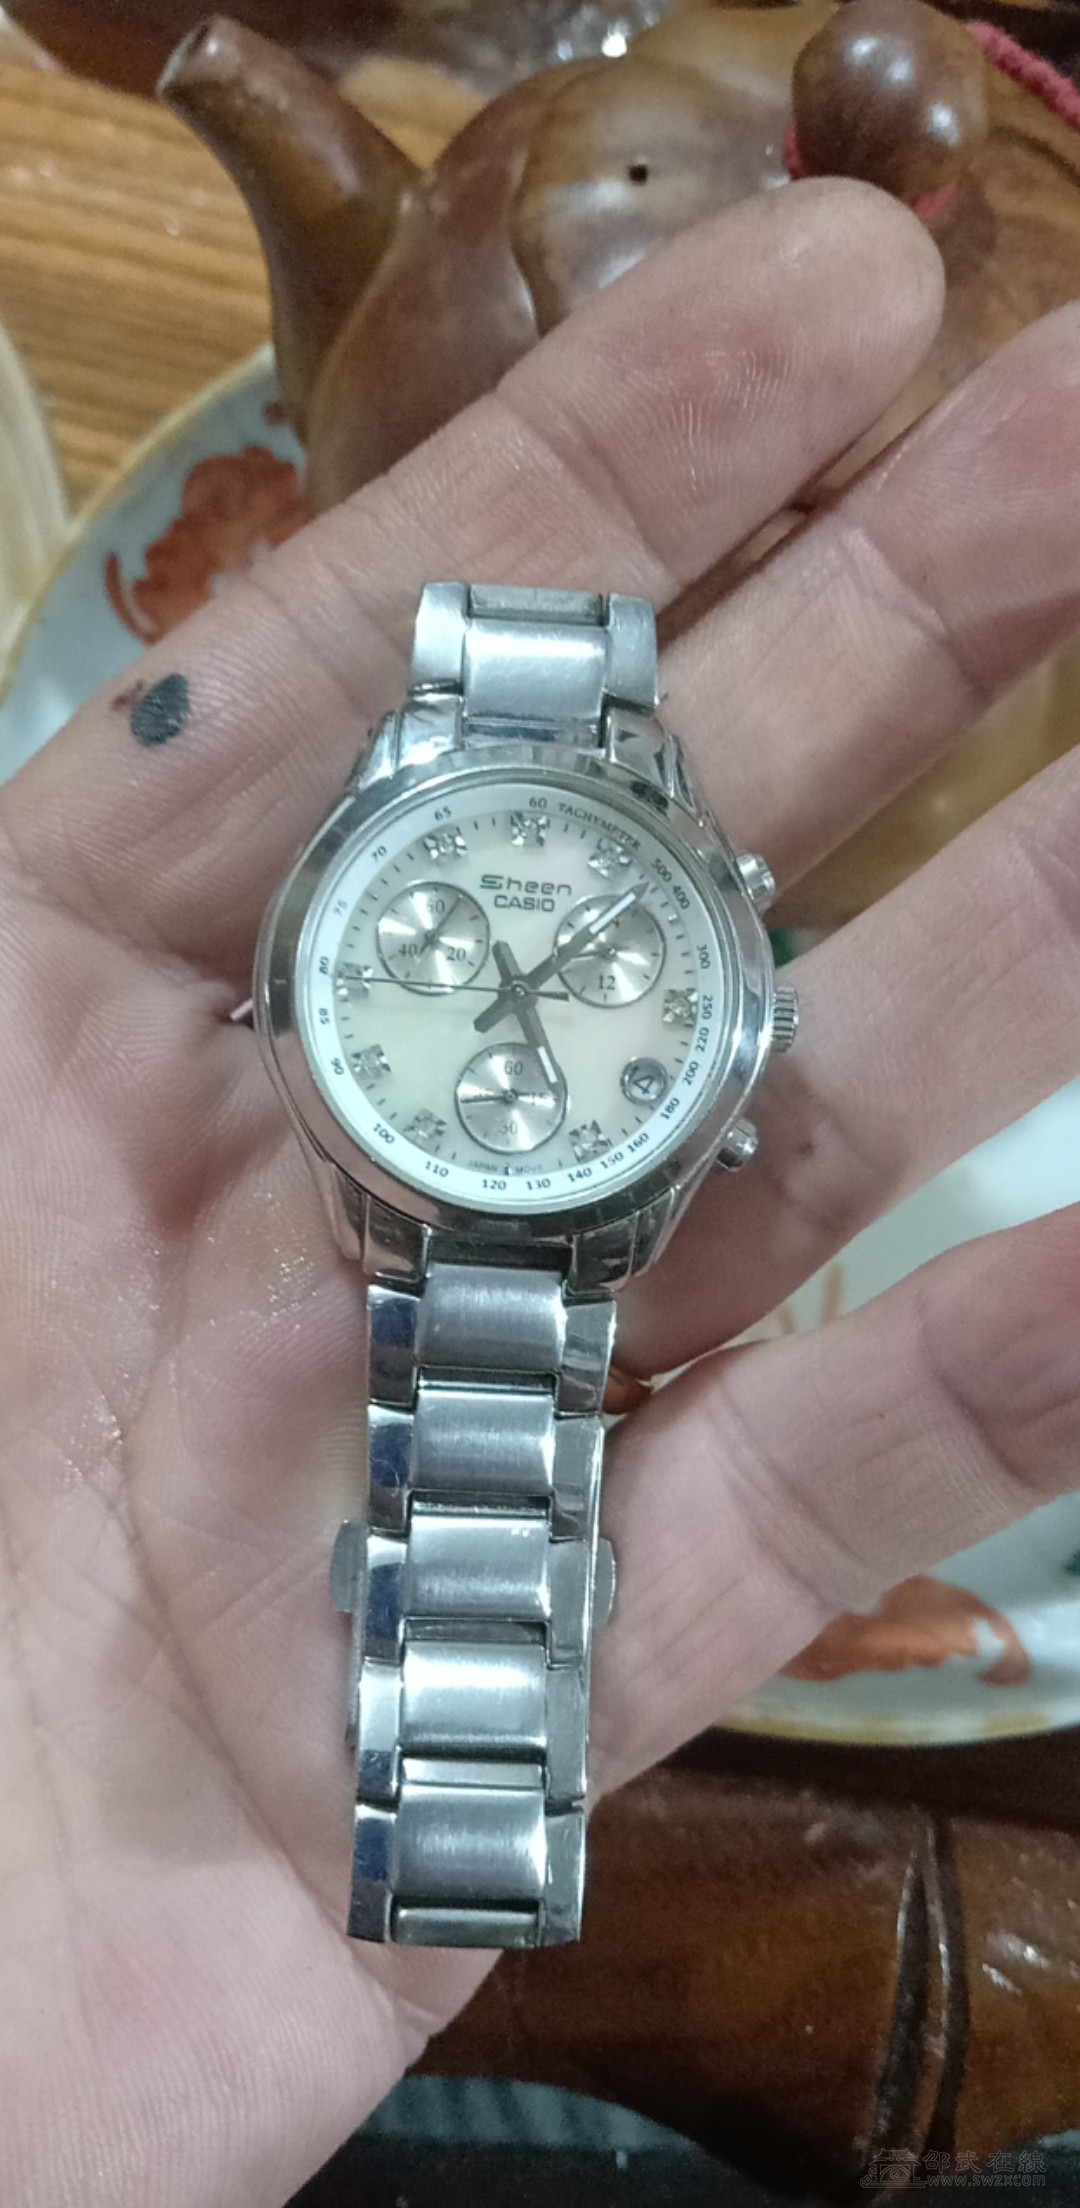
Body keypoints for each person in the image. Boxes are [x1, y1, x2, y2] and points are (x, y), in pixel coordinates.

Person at [1, 177, 1078, 2206]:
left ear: (736, 1008)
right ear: (291, 991)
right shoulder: (351, 968)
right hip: (431, 1187)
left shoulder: (687, 994)